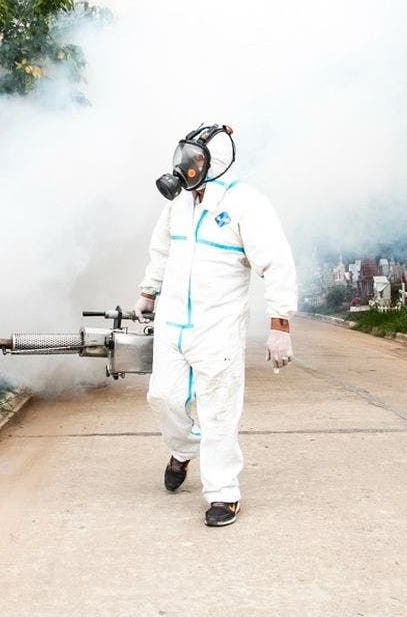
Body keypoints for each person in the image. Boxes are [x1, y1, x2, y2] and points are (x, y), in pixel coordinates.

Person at [134, 123, 297, 527]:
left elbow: (276, 262)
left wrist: (280, 323)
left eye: (192, 161)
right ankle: (185, 447)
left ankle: (223, 492)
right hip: (173, 322)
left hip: (217, 326)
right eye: (182, 158)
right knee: (163, 398)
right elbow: (161, 248)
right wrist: (149, 290)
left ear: (215, 164)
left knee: (219, 410)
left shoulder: (247, 204)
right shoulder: (179, 203)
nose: (183, 168)